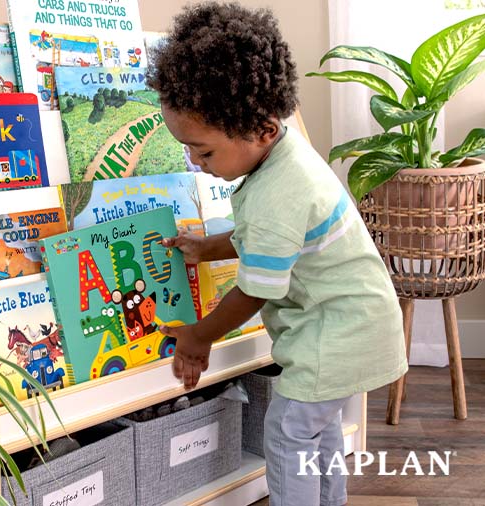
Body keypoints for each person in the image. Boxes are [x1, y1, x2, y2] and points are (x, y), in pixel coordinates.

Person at [149, 3, 408, 505]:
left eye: (204, 152)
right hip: (353, 326)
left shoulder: (278, 192)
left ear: (263, 130)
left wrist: (198, 338)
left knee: (289, 435)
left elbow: (255, 287)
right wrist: (206, 247)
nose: (195, 163)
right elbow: (267, 243)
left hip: (334, 338)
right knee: (318, 432)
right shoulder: (285, 156)